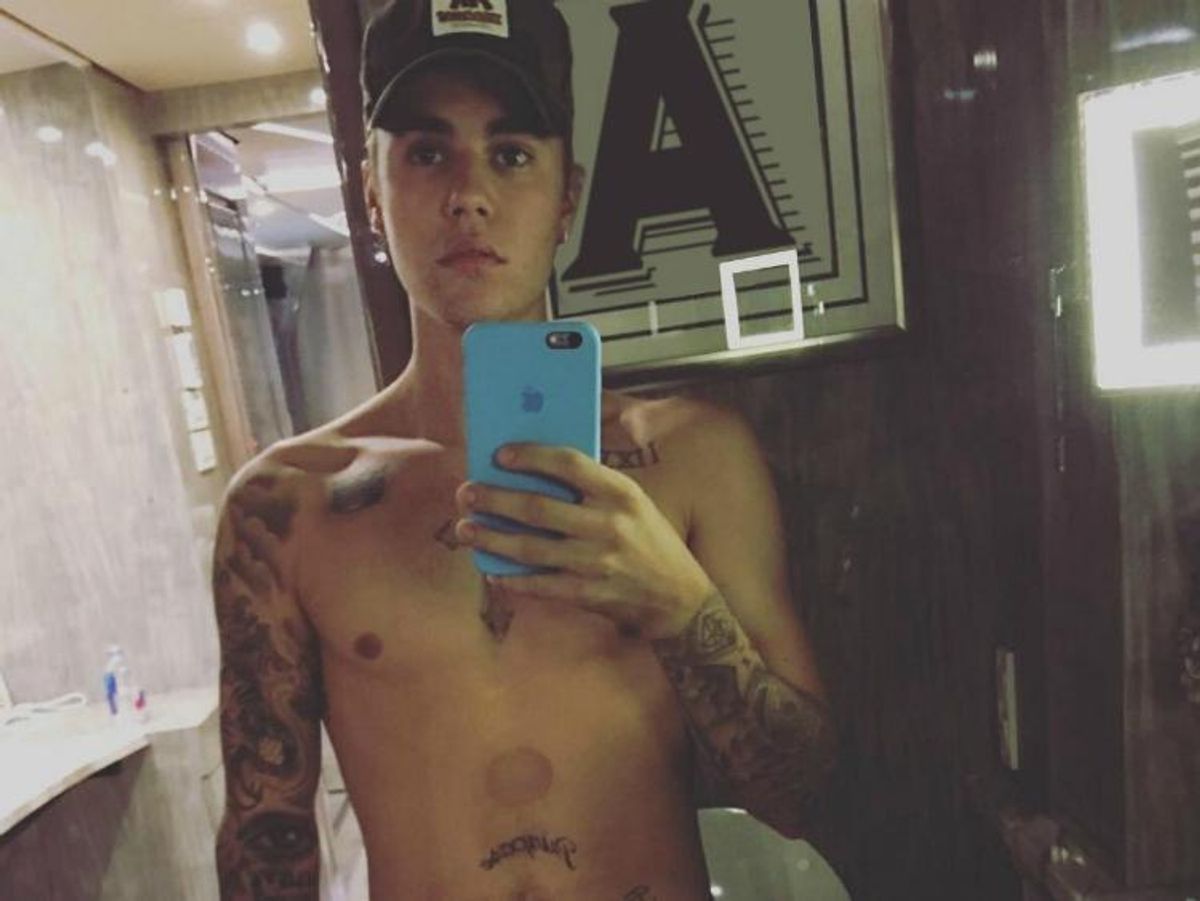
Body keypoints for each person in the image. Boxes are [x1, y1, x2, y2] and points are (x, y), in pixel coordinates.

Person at [212, 1, 837, 898]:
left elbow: (801, 798)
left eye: (511, 153)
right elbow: (265, 838)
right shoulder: (286, 508)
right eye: (427, 152)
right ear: (371, 196)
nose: (469, 195)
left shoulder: (697, 458)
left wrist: (677, 604)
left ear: (567, 197)